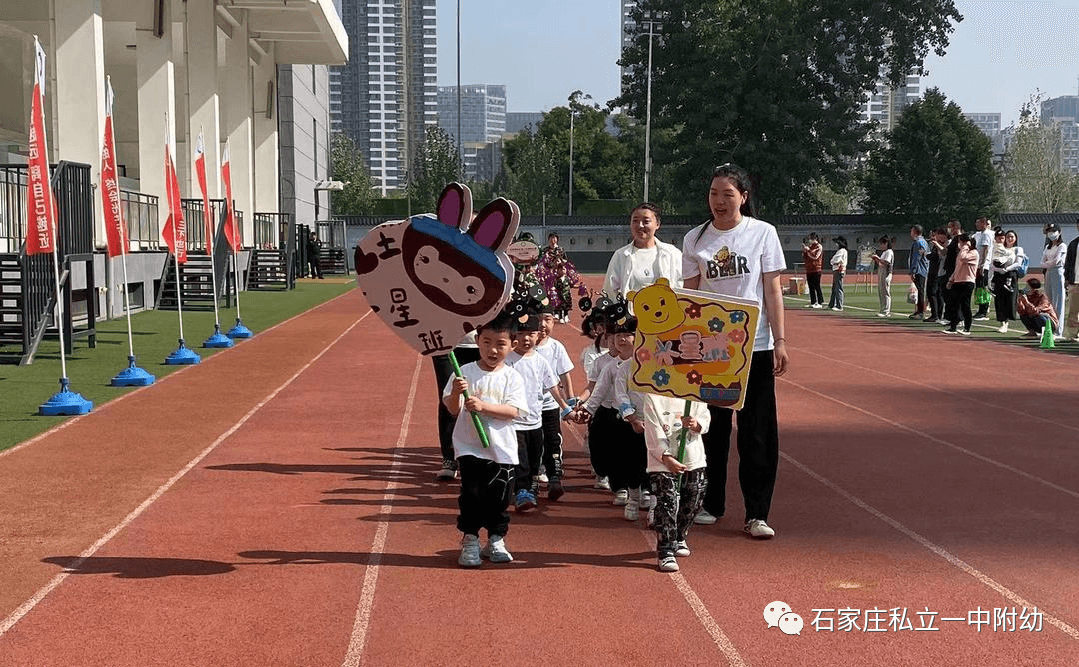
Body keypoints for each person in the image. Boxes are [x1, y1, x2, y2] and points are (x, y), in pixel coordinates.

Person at [680, 163, 788, 538]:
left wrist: (780, 341)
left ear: (744, 196)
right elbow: (690, 299)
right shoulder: (695, 239)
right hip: (712, 352)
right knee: (712, 429)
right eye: (713, 193)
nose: (719, 201)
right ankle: (711, 503)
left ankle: (757, 513)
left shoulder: (762, 233)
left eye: (728, 194)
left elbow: (772, 290)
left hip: (755, 348)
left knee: (757, 432)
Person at [442, 313, 528, 567]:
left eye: (500, 344)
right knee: (471, 495)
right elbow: (452, 409)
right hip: (469, 447)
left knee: (499, 498)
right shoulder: (465, 373)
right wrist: (456, 393)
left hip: (501, 449)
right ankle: (470, 539)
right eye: (487, 342)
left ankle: (496, 539)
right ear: (477, 340)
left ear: (512, 345)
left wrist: (484, 407)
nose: (493, 349)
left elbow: (513, 411)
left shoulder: (512, 377)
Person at [505, 307, 572, 511]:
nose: (527, 339)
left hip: (536, 420)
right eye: (522, 334)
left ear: (537, 335)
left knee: (535, 458)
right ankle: (522, 491)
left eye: (531, 334)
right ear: (514, 335)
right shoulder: (507, 360)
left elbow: (552, 386)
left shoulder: (541, 361)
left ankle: (530, 488)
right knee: (521, 459)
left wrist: (564, 406)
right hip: (515, 421)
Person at [637, 392, 710, 572]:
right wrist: (666, 457)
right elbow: (653, 431)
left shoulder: (694, 393)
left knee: (694, 499)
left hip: (693, 458)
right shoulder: (652, 396)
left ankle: (679, 535)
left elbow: (704, 417)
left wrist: (696, 425)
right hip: (662, 461)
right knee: (667, 502)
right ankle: (665, 549)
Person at [533, 307, 574, 498]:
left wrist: (570, 401)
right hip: (528, 407)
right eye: (538, 319)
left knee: (552, 439)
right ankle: (532, 477)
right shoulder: (523, 346)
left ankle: (554, 476)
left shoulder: (556, 347)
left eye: (547, 320)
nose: (542, 325)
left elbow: (565, 376)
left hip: (550, 405)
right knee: (532, 441)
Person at [602, 203, 683, 299]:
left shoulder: (673, 254)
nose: (640, 225)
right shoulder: (620, 256)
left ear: (657, 224)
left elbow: (681, 286)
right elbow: (610, 291)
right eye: (635, 221)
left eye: (646, 221)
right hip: (629, 313)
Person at [432, 334, 482, 481]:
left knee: (480, 395)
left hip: (479, 344)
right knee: (448, 397)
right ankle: (449, 457)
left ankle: (480, 453)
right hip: (446, 345)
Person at [944, 233, 977, 336]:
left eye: (961, 242)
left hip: (967, 282)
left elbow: (963, 258)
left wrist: (966, 246)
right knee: (955, 304)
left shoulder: (974, 253)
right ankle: (953, 327)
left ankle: (967, 328)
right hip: (958, 281)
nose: (960, 244)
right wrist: (951, 279)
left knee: (965, 305)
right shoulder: (962, 252)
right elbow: (957, 267)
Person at [990, 229, 1019, 333]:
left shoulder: (1017, 249)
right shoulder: (1000, 248)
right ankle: (1003, 322)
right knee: (1000, 299)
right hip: (999, 275)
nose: (1009, 239)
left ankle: (1008, 320)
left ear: (1015, 239)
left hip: (1011, 275)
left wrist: (1006, 269)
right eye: (1008, 237)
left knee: (1010, 299)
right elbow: (994, 262)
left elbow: (1017, 263)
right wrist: (998, 269)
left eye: (1012, 237)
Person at [1042, 223, 1067, 339]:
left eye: (1053, 231)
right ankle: (1049, 328)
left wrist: (1047, 263)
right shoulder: (1048, 247)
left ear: (1059, 232)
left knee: (1058, 303)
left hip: (1058, 272)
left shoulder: (1062, 246)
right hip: (1048, 273)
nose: (1051, 233)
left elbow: (1056, 261)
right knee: (1048, 301)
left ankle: (1058, 331)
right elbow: (1041, 262)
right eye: (1049, 231)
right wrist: (1047, 264)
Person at [940, 219, 962, 329]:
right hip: (949, 269)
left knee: (955, 296)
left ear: (955, 227)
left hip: (955, 270)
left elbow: (959, 254)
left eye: (950, 227)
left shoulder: (960, 239)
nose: (949, 230)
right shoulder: (953, 239)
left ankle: (959, 319)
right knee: (948, 295)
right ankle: (952, 318)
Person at [972, 217, 995, 320]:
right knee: (979, 287)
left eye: (978, 223)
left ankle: (983, 311)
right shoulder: (979, 234)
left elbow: (986, 249)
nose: (976, 225)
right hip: (979, 265)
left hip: (984, 266)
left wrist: (982, 264)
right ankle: (981, 309)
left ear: (984, 224)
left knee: (983, 287)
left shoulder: (986, 234)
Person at [925, 227, 948, 323]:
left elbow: (937, 257)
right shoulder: (935, 246)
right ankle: (936, 314)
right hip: (934, 271)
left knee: (934, 293)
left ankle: (936, 315)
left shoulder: (941, 245)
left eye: (934, 235)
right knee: (934, 293)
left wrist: (926, 255)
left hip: (937, 272)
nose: (933, 237)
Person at [907, 225, 929, 319]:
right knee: (920, 290)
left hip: (920, 270)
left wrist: (913, 271)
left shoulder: (918, 242)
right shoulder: (922, 242)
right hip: (922, 269)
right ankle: (919, 311)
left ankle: (920, 312)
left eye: (912, 231)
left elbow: (917, 258)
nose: (910, 233)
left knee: (920, 291)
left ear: (915, 231)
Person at [871, 235, 894, 317]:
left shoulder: (889, 252)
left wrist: (877, 258)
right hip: (881, 272)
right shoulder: (885, 252)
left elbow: (886, 262)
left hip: (886, 273)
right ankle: (883, 309)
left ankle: (886, 311)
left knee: (885, 292)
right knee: (881, 292)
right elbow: (881, 264)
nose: (880, 246)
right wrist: (876, 259)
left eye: (882, 244)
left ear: (886, 244)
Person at [1064, 219, 1079, 341]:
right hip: (1075, 282)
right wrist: (1067, 278)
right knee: (1073, 311)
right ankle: (1073, 334)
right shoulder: (1074, 244)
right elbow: (1068, 263)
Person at [801, 233, 824, 308]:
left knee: (817, 286)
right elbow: (805, 257)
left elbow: (815, 257)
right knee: (811, 286)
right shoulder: (810, 247)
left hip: (816, 269)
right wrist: (805, 251)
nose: (809, 240)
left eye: (811, 239)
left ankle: (820, 302)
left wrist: (808, 250)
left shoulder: (819, 246)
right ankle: (813, 302)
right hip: (809, 269)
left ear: (815, 239)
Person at [827, 236, 848, 311]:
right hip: (837, 270)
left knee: (838, 288)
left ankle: (839, 305)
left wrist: (833, 261)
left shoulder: (842, 251)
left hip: (839, 271)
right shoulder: (842, 251)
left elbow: (835, 260)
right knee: (835, 288)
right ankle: (831, 304)